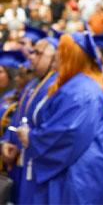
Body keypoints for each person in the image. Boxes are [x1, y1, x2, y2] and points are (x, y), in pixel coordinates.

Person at [16, 32, 103, 203]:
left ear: (73, 57)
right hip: (74, 173)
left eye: (62, 51)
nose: (56, 55)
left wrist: (32, 138)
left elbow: (67, 134)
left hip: (77, 178)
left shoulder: (82, 91)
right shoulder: (76, 85)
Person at [2, 37, 58, 204]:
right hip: (19, 160)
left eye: (38, 53)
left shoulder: (55, 86)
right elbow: (18, 119)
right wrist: (7, 141)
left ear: (54, 59)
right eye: (32, 52)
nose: (31, 57)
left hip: (36, 164)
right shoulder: (32, 84)